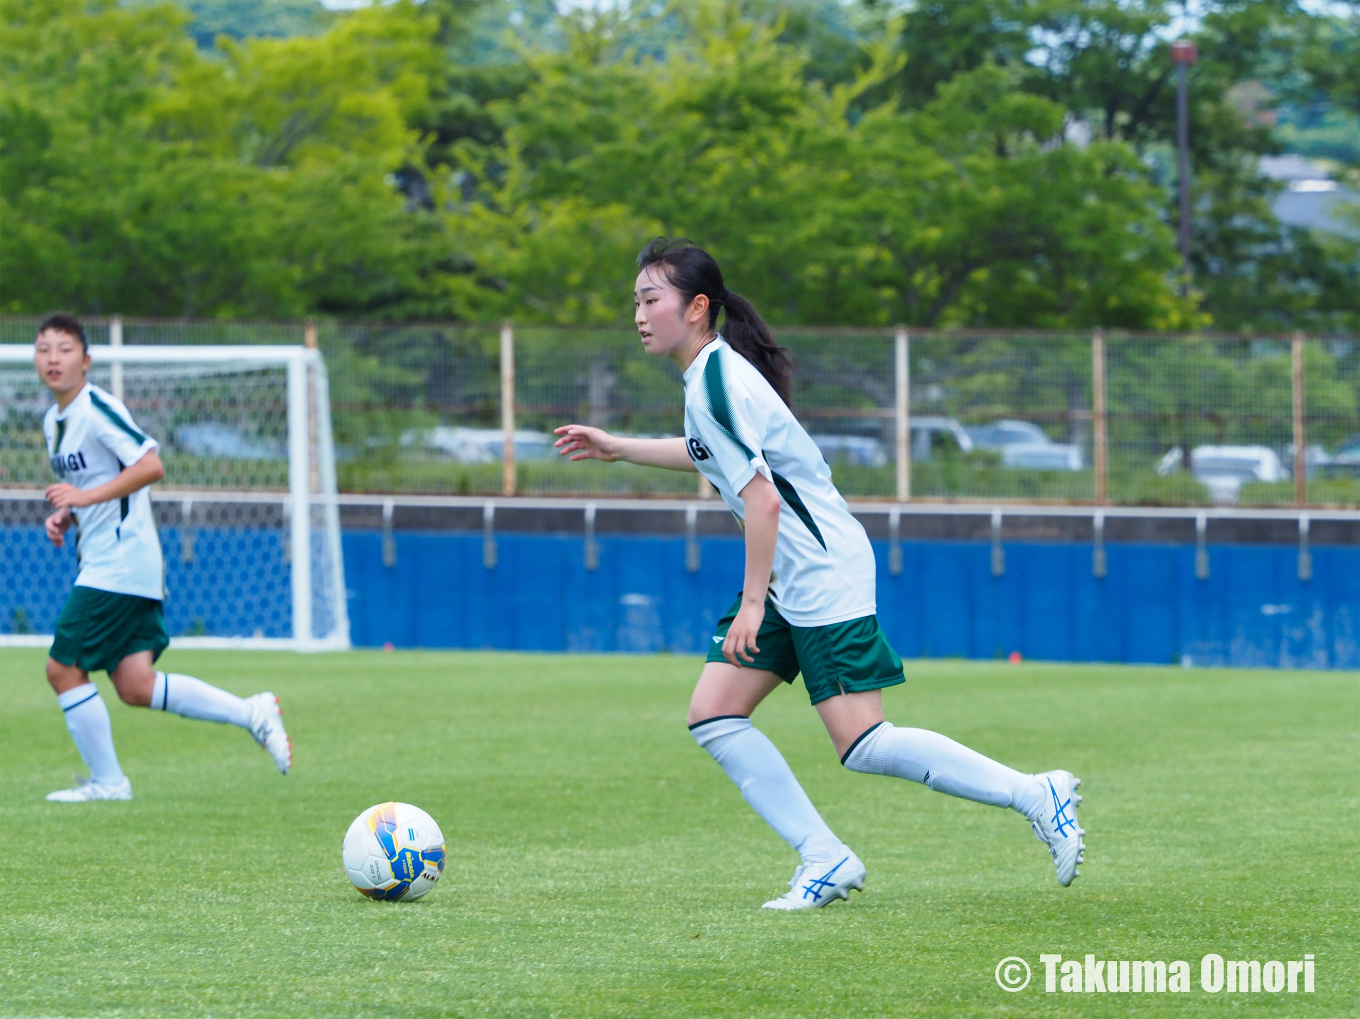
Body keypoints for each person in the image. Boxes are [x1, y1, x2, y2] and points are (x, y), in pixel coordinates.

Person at [554, 240, 1084, 909]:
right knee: (714, 714)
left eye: (650, 299)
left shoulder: (716, 380)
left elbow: (763, 501)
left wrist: (753, 604)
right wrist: (619, 447)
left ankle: (1036, 793)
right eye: (635, 300)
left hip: (818, 572)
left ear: (696, 307)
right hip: (790, 573)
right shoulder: (711, 373)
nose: (638, 314)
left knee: (863, 742)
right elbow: (709, 452)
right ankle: (824, 857)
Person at [35, 314, 292, 802]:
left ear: (86, 361)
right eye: (44, 348)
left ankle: (110, 783)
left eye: (64, 349)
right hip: (117, 563)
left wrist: (84, 499)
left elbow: (150, 464)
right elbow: (98, 482)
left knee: (62, 668)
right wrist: (69, 514)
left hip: (119, 564)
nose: (53, 358)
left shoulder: (95, 407)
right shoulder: (54, 421)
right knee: (135, 685)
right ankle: (252, 712)